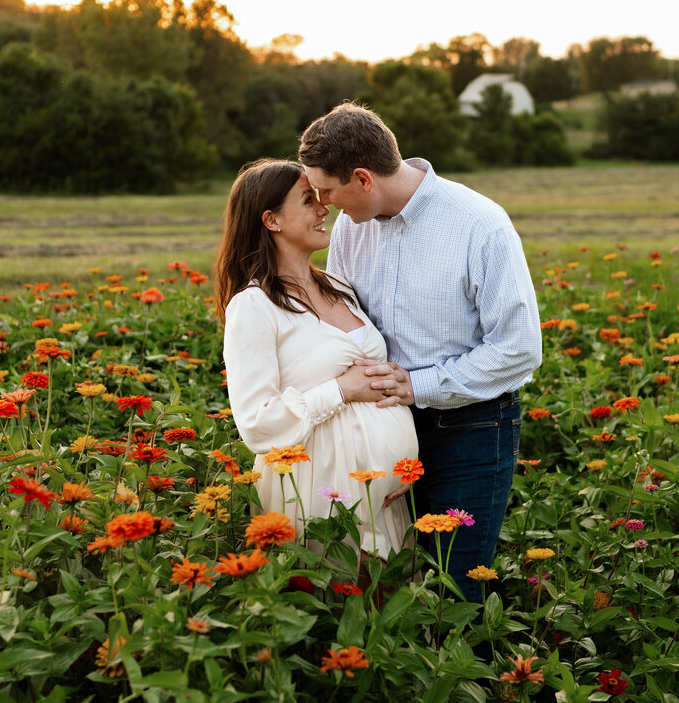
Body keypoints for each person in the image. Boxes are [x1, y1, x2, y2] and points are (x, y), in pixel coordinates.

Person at [298, 102, 542, 601]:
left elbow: (519, 349)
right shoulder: (350, 228)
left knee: (456, 585)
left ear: (363, 179)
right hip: (385, 427)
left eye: (327, 191)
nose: (323, 204)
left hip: (471, 429)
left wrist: (419, 385)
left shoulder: (480, 224)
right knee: (393, 581)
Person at [215, 159, 418, 561]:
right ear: (272, 220)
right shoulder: (253, 307)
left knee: (391, 613)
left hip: (387, 499)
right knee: (336, 604)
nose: (325, 208)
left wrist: (404, 462)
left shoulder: (339, 287)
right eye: (309, 200)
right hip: (318, 491)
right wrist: (341, 390)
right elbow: (256, 423)